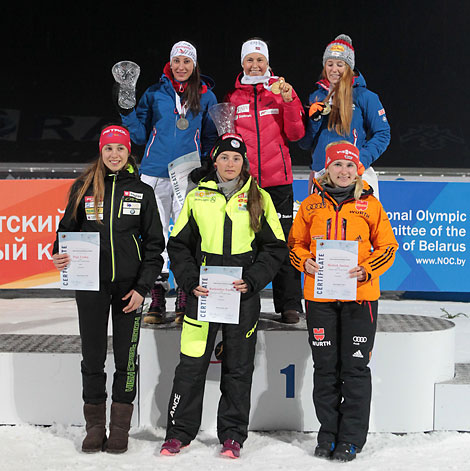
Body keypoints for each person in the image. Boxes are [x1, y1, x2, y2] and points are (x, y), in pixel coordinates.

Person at [160, 133, 287, 459]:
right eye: (224, 158)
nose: (230, 164)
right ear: (214, 161)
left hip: (242, 295)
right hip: (203, 293)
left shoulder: (260, 197)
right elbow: (178, 245)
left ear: (244, 163)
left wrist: (254, 279)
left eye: (237, 159)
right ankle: (178, 433)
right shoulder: (197, 197)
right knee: (190, 365)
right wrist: (189, 281)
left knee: (238, 367)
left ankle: (232, 436)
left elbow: (274, 248)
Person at [52, 125, 165, 454]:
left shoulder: (142, 192)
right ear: (101, 153)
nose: (114, 154)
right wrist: (58, 253)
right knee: (93, 358)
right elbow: (65, 232)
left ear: (129, 152)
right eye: (108, 149)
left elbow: (155, 246)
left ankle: (119, 428)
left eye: (120, 149)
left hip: (131, 292)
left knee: (126, 362)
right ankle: (95, 427)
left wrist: (143, 288)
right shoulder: (84, 187)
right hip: (90, 288)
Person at [288, 141, 398, 462]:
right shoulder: (310, 206)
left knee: (355, 368)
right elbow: (295, 243)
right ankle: (327, 436)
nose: (344, 171)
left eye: (350, 166)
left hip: (360, 299)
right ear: (328, 169)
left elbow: (388, 247)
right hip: (320, 298)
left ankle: (350, 439)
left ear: (358, 171)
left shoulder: (371, 206)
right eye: (338, 165)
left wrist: (367, 269)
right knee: (325, 368)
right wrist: (304, 261)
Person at [116, 40, 218, 325]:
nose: (181, 67)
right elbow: (137, 135)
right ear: (170, 64)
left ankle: (185, 293)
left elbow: (211, 137)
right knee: (154, 235)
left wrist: (206, 164)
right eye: (177, 61)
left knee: (186, 236)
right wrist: (126, 110)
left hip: (189, 175)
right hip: (153, 172)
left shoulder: (206, 97)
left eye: (186, 62)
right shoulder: (154, 93)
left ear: (194, 65)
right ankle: (157, 295)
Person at [225, 38, 305, 324]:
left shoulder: (281, 92)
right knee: (247, 244)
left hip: (278, 181)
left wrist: (290, 101)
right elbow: (229, 141)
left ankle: (290, 304)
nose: (255, 65)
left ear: (267, 63)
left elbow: (296, 134)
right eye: (250, 60)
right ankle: (245, 302)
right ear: (242, 63)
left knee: (282, 242)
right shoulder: (234, 99)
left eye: (260, 60)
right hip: (247, 184)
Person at [298, 34, 391, 197]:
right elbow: (305, 144)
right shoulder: (316, 97)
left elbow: (383, 134)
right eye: (330, 64)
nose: (334, 70)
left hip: (352, 174)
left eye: (340, 64)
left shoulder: (365, 97)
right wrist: (313, 121)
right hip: (322, 175)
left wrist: (360, 159)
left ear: (349, 67)